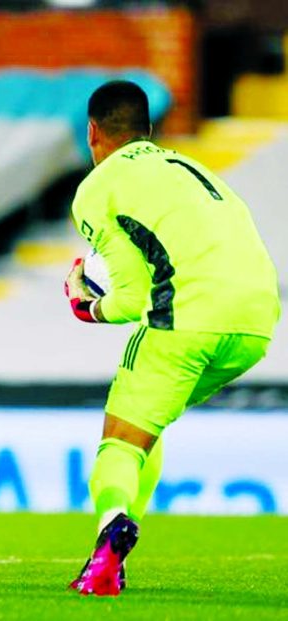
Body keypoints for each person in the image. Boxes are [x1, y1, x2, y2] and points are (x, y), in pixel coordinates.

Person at [64, 80, 281, 596]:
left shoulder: (98, 187)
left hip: (187, 316)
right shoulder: (196, 169)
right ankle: (111, 553)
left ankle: (109, 539)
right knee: (148, 428)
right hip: (256, 323)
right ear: (149, 129)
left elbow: (132, 298)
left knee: (119, 436)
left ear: (92, 131)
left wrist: (87, 307)